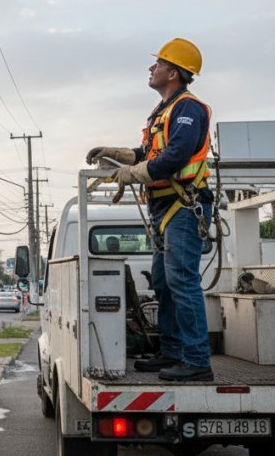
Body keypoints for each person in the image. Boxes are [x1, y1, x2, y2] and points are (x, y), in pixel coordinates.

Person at [86, 37, 213, 383]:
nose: (151, 68)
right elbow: (150, 153)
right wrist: (123, 155)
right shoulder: (165, 111)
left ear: (172, 73)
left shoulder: (188, 108)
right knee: (163, 281)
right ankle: (172, 352)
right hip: (165, 207)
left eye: (157, 64)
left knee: (181, 282)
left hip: (183, 206)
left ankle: (197, 360)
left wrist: (134, 172)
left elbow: (175, 156)